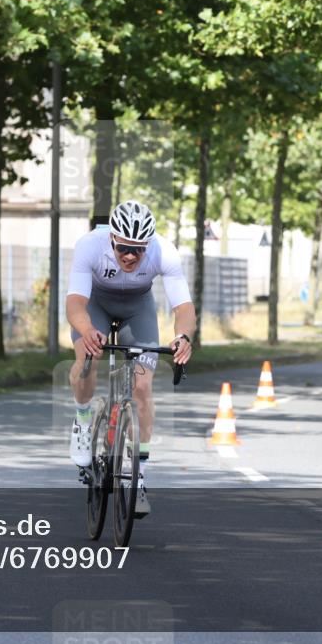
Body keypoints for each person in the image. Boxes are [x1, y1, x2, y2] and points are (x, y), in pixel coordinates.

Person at [66, 200, 196, 517]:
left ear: (147, 245)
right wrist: (86, 331)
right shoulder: (90, 246)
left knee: (142, 387)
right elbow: (75, 303)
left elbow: (184, 307)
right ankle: (83, 420)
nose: (130, 256)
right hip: (95, 305)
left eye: (138, 250)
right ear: (112, 238)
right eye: (124, 247)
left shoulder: (164, 251)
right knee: (87, 358)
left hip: (137, 308)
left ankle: (139, 476)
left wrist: (184, 337)